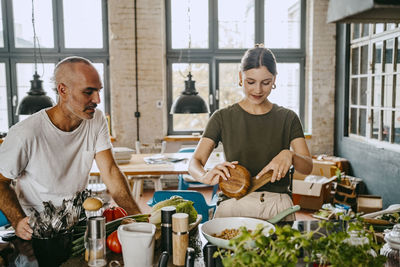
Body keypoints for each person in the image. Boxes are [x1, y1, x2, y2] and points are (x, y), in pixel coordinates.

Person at [0, 56, 141, 240]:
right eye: (88, 92)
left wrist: (139, 220)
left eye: (98, 91)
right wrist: (18, 221)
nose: (97, 99)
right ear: (63, 90)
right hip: (38, 231)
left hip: (78, 225)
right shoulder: (25, 133)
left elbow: (111, 172)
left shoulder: (96, 120)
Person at [188, 44, 313, 220]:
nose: (258, 90)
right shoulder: (222, 117)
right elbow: (195, 161)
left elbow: (307, 167)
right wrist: (204, 176)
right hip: (233, 204)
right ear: (241, 77)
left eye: (266, 82)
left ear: (274, 79)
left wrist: (290, 155)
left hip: (277, 206)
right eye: (251, 82)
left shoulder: (288, 118)